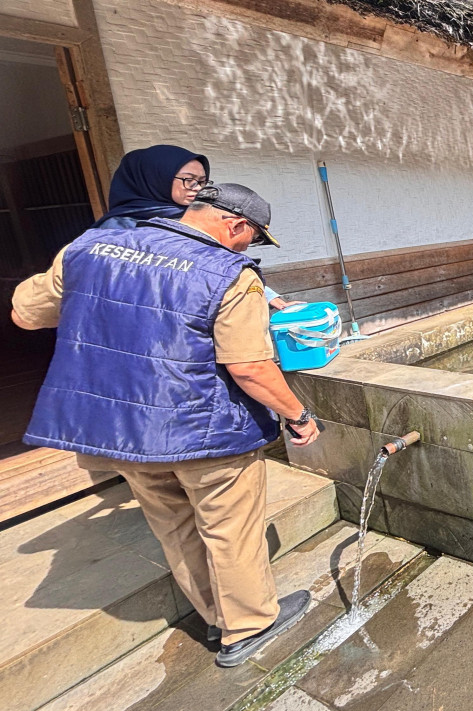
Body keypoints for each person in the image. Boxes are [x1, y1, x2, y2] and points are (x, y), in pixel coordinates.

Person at [11, 183, 321, 668]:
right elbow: (250, 367)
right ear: (236, 225)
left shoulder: (86, 250)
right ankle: (250, 626)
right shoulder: (230, 274)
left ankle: (216, 616)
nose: (248, 248)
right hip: (208, 432)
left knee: (175, 527)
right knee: (229, 530)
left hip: (125, 431)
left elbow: (25, 314)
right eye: (254, 238)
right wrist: (298, 415)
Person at [94, 145, 295, 310]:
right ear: (154, 177)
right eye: (189, 181)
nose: (198, 189)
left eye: (202, 181)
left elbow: (215, 262)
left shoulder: (196, 218)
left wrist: (265, 294)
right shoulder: (116, 230)